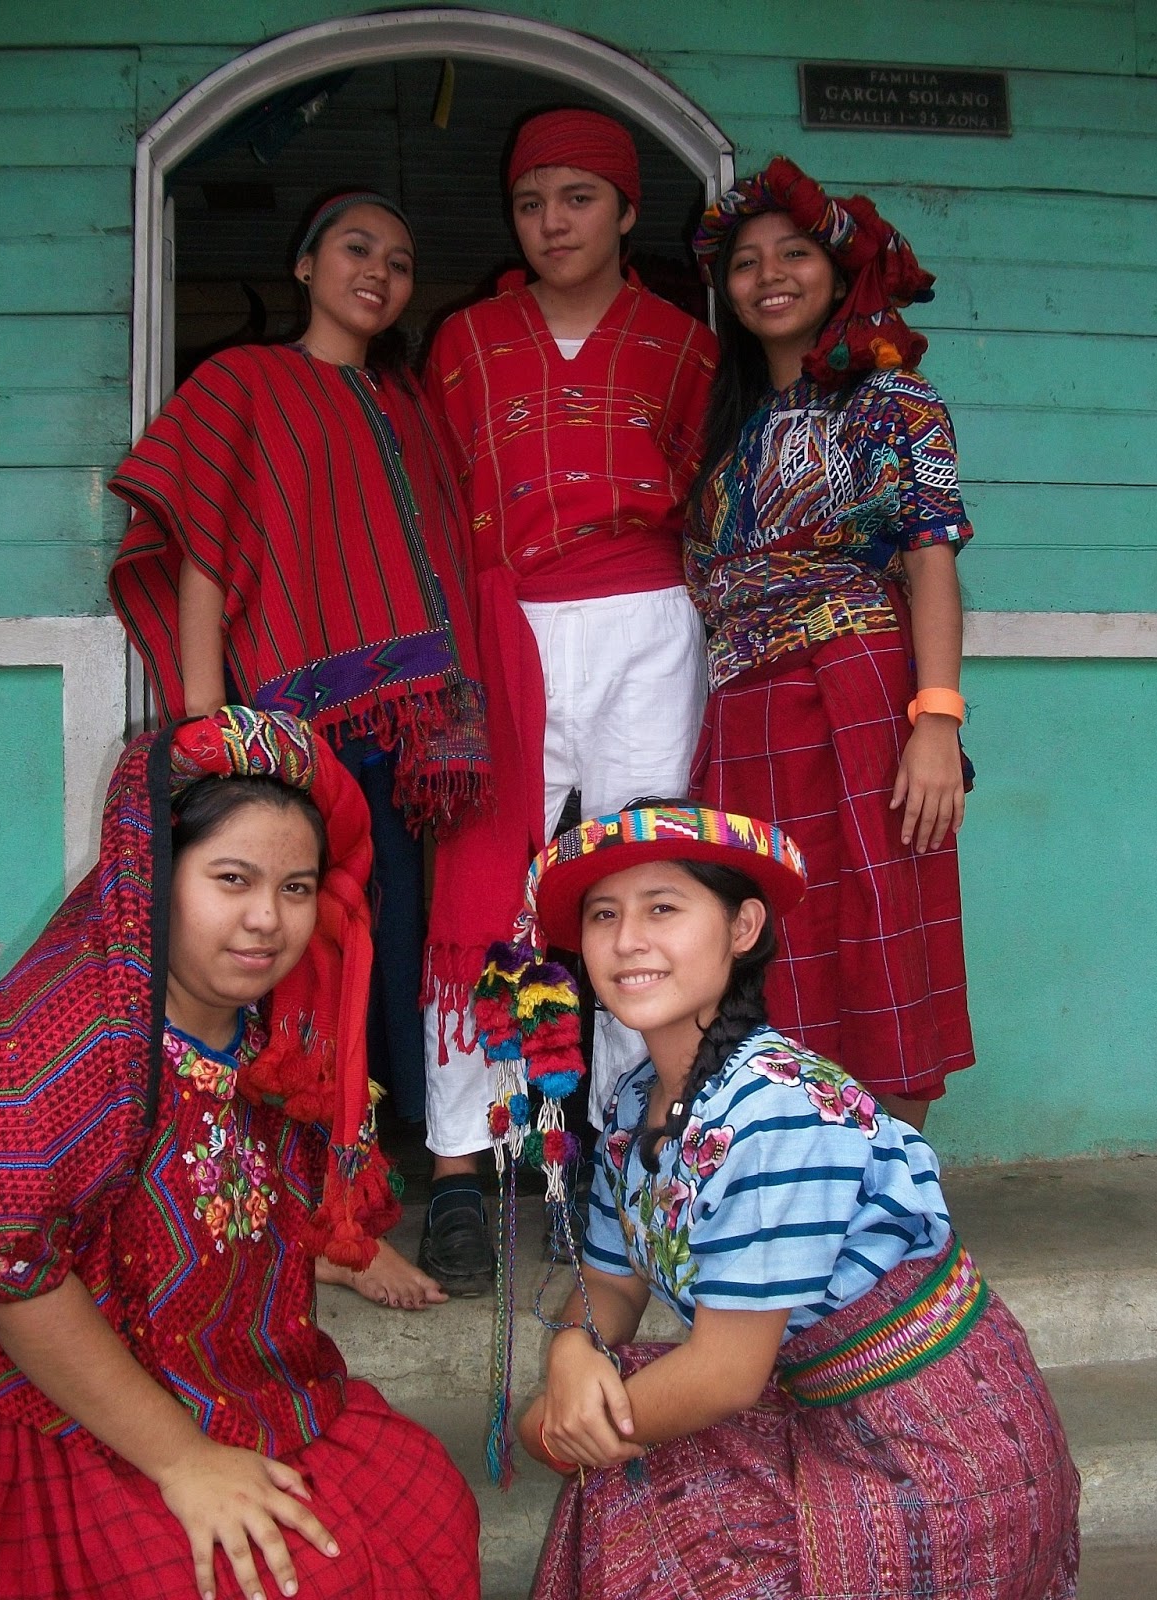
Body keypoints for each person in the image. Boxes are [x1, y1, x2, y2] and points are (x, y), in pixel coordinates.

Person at [501, 803, 1079, 1600]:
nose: (627, 940)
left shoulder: (774, 1109)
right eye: (604, 914)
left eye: (662, 907)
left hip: (933, 1453)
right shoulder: (637, 1103)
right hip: (819, 1408)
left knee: (639, 1485)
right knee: (616, 1430)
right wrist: (571, 1355)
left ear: (742, 928)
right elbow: (610, 1285)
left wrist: (561, 1432)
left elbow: (726, 1375)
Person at [0, 706, 481, 1600]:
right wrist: (182, 1461)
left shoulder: (272, 1042)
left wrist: (332, 1260)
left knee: (427, 1505)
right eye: (232, 879)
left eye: (296, 888)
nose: (266, 920)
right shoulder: (66, 1036)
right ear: (156, 877)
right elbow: (8, 1271)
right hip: (81, 1417)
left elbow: (211, 1207)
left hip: (250, 1389)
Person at [108, 191, 493, 1304]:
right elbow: (203, 557)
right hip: (292, 737)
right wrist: (204, 730)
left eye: (403, 259)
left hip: (410, 745)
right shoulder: (244, 384)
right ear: (305, 260)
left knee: (395, 954)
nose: (380, 271)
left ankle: (372, 1189)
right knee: (296, 960)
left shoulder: (409, 409)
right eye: (357, 248)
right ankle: (303, 1203)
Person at [418, 110, 719, 1289]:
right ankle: (458, 1161)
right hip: (508, 623)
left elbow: (708, 496)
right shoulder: (467, 340)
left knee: (631, 880)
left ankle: (611, 1146)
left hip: (650, 618)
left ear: (628, 212)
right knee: (486, 880)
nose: (553, 220)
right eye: (532, 199)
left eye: (579, 198)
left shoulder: (686, 345)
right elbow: (440, 499)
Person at [686, 156, 975, 1130]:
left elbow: (933, 555)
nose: (768, 274)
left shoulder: (900, 402)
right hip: (742, 711)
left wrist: (936, 717)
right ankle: (795, 1175)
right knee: (766, 934)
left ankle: (893, 1206)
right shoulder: (726, 431)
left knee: (877, 929)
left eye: (794, 252)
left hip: (855, 690)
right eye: (746, 262)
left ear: (839, 270)